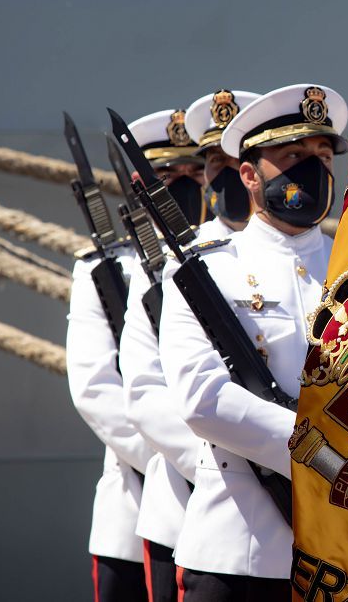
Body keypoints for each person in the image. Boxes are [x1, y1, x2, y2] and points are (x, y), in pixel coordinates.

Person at [158, 83, 348, 601]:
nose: (312, 168)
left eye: (322, 155)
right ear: (249, 174)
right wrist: (325, 452)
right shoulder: (206, 270)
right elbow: (203, 399)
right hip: (243, 554)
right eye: (292, 156)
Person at [119, 95, 257, 602]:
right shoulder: (182, 263)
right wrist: (228, 462)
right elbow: (145, 389)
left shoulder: (323, 257)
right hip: (196, 498)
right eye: (214, 164)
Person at [67, 107, 207, 602]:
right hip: (142, 494)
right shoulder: (107, 271)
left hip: (231, 499)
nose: (184, 187)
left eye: (195, 174)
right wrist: (185, 459)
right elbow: (96, 390)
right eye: (169, 176)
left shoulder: (226, 261)